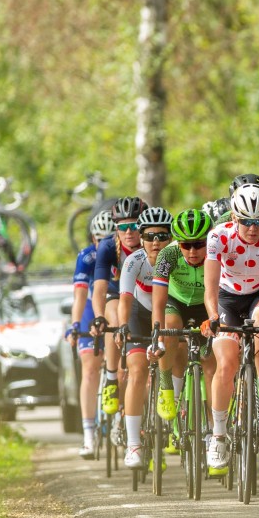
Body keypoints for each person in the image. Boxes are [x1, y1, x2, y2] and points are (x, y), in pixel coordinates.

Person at [200, 184, 259, 473]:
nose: (253, 228)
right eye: (246, 221)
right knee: (227, 362)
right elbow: (210, 286)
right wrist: (214, 316)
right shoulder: (219, 236)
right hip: (227, 297)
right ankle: (218, 436)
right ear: (234, 217)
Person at [149, 208, 216, 451]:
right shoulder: (168, 255)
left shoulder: (216, 252)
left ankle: (212, 427)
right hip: (175, 303)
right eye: (186, 245)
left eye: (199, 244)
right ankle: (167, 387)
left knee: (210, 362)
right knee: (169, 328)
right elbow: (157, 302)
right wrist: (156, 336)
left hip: (206, 306)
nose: (193, 251)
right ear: (178, 243)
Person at [115, 207, 173, 469]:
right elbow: (124, 299)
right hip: (140, 314)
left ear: (171, 238)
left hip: (170, 312)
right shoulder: (134, 261)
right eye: (149, 237)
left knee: (176, 358)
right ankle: (133, 444)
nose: (156, 243)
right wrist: (122, 326)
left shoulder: (177, 258)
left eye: (162, 236)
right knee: (137, 371)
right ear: (141, 238)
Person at [91, 196, 148, 443]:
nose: (128, 232)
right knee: (113, 314)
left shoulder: (153, 243)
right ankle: (112, 378)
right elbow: (100, 291)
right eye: (122, 227)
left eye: (133, 226)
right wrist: (99, 318)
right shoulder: (107, 247)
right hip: (117, 294)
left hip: (146, 296)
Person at [68, 210, 115, 459]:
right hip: (90, 308)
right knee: (89, 368)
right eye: (98, 239)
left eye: (108, 237)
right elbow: (79, 296)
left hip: (116, 303)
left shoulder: (122, 251)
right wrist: (75, 325)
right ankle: (88, 433)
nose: (103, 243)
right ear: (92, 238)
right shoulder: (87, 256)